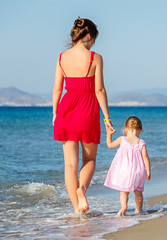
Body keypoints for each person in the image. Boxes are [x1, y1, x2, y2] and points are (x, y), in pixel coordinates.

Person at [52, 17, 114, 214]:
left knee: (70, 165)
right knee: (90, 161)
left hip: (66, 110)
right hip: (87, 111)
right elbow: (100, 91)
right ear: (89, 35)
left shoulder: (62, 57)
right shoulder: (94, 58)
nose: (93, 42)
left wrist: (54, 113)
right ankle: (82, 189)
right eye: (94, 38)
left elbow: (56, 89)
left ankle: (78, 211)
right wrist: (107, 118)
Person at [104, 116, 151, 216]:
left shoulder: (122, 139)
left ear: (125, 129)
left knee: (124, 191)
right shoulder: (141, 143)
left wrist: (108, 134)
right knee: (138, 191)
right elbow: (145, 157)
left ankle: (124, 206)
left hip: (124, 171)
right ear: (140, 131)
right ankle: (139, 210)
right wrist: (148, 170)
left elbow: (109, 145)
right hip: (138, 171)